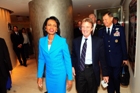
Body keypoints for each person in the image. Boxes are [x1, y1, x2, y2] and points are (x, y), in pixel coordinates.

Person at [71, 18, 109, 93]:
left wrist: (105, 74)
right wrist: (72, 66)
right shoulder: (75, 41)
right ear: (81, 28)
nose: (85, 29)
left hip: (92, 70)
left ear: (91, 28)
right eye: (83, 27)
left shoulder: (98, 41)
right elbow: (74, 55)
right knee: (80, 90)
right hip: (80, 71)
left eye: (88, 27)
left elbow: (103, 59)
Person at [37, 16, 73, 93]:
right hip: (49, 74)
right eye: (49, 25)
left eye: (54, 25)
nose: (52, 27)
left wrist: (70, 77)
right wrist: (39, 76)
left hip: (60, 74)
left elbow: (67, 60)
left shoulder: (62, 41)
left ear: (57, 29)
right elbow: (41, 59)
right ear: (45, 27)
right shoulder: (41, 41)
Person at [98, 11, 128, 93]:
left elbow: (123, 44)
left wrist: (125, 57)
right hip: (106, 60)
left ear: (111, 18)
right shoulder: (101, 31)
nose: (104, 21)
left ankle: (117, 91)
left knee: (116, 77)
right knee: (108, 78)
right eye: (103, 20)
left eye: (106, 19)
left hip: (117, 59)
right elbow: (100, 47)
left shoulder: (119, 29)